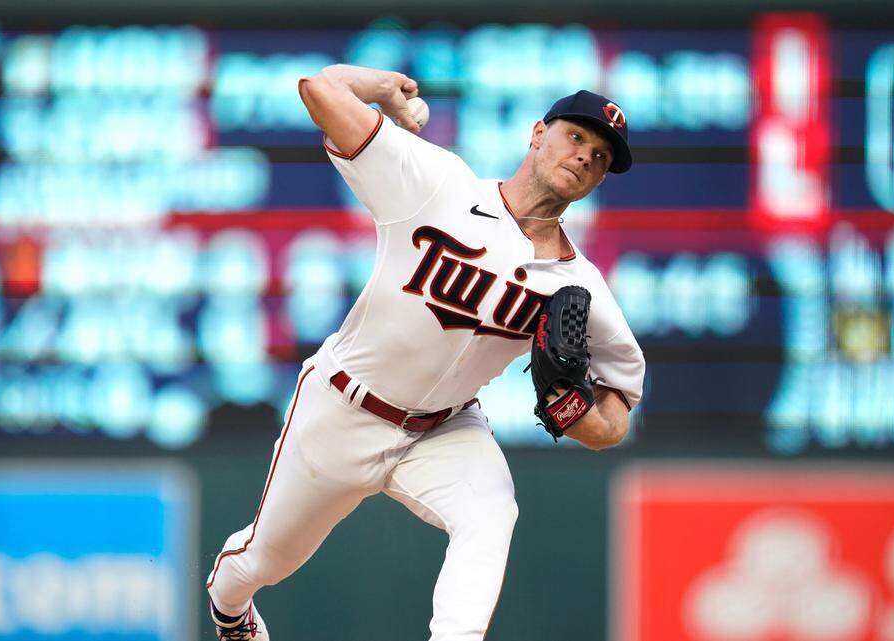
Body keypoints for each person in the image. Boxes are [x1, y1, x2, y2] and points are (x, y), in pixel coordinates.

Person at [205, 64, 646, 641]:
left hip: (443, 429)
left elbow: (613, 422)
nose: (587, 155)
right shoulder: (438, 184)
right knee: (264, 562)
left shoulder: (579, 286)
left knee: (491, 510)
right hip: (343, 408)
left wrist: (572, 408)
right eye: (578, 136)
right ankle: (229, 607)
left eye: (602, 155)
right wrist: (382, 89)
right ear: (538, 133)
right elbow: (318, 90)